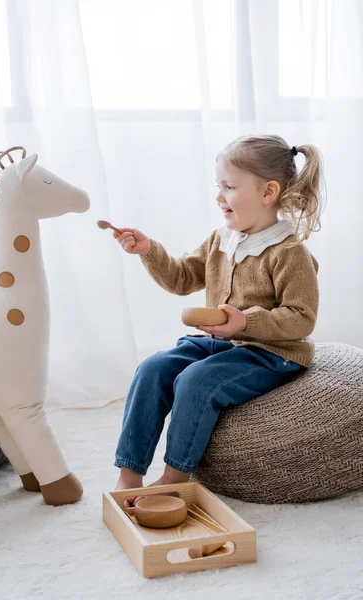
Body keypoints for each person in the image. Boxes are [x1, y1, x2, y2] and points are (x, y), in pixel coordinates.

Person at [113, 134, 323, 506]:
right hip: (220, 343)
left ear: (268, 192)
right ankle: (129, 475)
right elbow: (180, 278)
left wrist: (245, 323)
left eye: (229, 187)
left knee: (196, 380)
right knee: (153, 368)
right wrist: (149, 251)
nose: (219, 196)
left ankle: (176, 476)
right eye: (218, 186)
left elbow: (301, 318)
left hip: (271, 353)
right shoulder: (220, 240)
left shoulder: (290, 252)